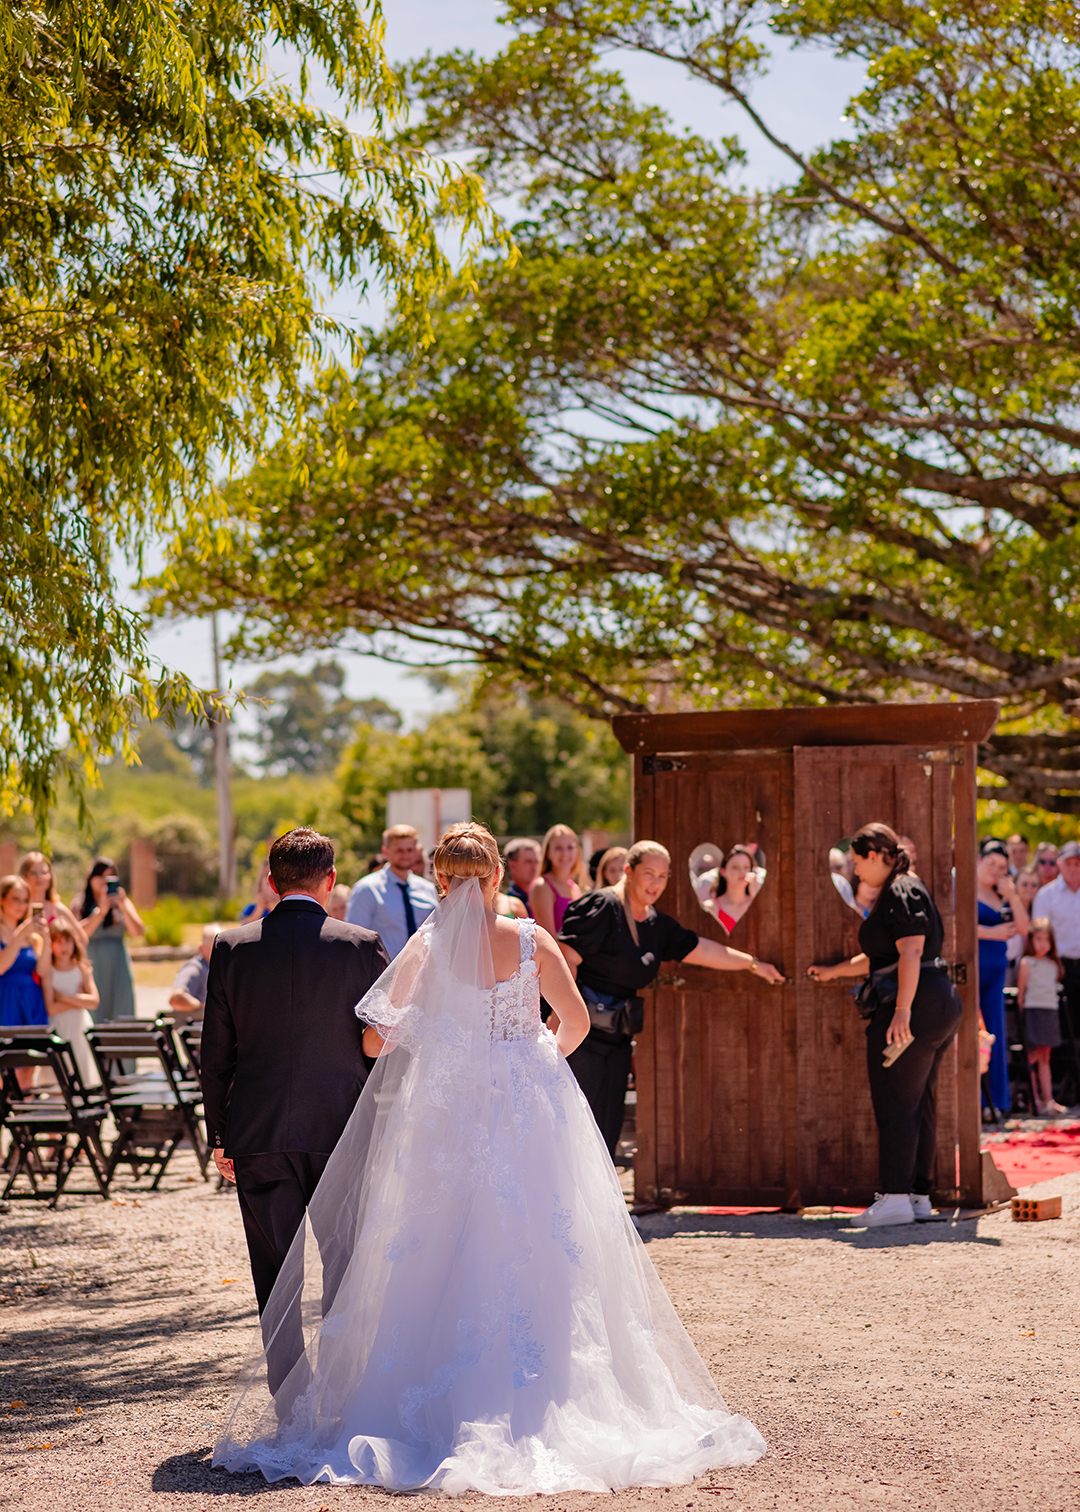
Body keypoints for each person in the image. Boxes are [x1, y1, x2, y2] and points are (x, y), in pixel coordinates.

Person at [213, 821, 765, 1491]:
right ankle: (541, 1392)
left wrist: (440, 1046)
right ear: (498, 876)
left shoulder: (424, 946)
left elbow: (374, 1042)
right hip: (519, 1111)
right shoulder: (531, 939)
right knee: (537, 1244)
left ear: (440, 882)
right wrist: (529, 1060)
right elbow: (579, 1023)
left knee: (432, 1248)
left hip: (445, 1116)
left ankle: (415, 1401)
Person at [200, 827, 391, 1381]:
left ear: (270, 880)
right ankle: (340, 1388)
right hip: (340, 1129)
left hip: (256, 1133)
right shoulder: (361, 945)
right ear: (330, 880)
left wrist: (220, 1135)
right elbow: (381, 1043)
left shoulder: (232, 947)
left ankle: (291, 1399)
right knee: (345, 1263)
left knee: (275, 1274)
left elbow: (216, 1054)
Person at [556, 841, 785, 1160]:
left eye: (662, 876)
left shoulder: (656, 925)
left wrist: (754, 964)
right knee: (573, 1123)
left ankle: (602, 1209)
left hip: (618, 1037)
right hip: (580, 1038)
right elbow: (564, 960)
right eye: (648, 874)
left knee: (606, 1126)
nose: (655, 883)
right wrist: (558, 1031)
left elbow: (703, 950)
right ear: (628, 871)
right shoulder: (602, 906)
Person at [808, 824, 962, 1228]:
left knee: (896, 1100)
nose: (856, 871)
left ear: (876, 854)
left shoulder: (900, 889)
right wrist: (833, 972)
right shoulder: (903, 888)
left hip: (917, 1003)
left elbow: (911, 950)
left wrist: (902, 1010)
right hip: (935, 1000)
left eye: (858, 862)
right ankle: (915, 1196)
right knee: (918, 1102)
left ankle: (894, 1196)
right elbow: (885, 955)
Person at [977, 839, 1030, 1118]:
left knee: (995, 1033)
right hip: (972, 972)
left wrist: (1013, 896)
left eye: (1002, 867)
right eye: (991, 864)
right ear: (978, 861)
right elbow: (953, 926)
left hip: (996, 974)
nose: (995, 871)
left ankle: (995, 1101)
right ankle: (975, 1102)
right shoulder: (963, 889)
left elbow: (1024, 928)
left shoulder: (1002, 895)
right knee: (974, 1035)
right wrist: (991, 932)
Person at [346, 824, 438, 959]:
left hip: (424, 972)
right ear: (385, 851)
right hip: (384, 973)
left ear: (416, 851)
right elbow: (354, 939)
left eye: (409, 850)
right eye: (399, 850)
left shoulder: (428, 889)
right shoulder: (367, 889)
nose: (405, 855)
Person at [73, 857, 144, 1022]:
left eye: (110, 877)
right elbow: (77, 934)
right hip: (92, 965)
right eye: (100, 876)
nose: (104, 881)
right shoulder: (80, 903)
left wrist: (123, 905)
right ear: (91, 878)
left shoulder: (122, 902)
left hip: (119, 965)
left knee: (121, 1008)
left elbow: (137, 931)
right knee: (95, 1012)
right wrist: (100, 913)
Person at [1032, 839, 1080, 1076]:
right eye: (1068, 863)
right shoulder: (1046, 895)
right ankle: (1063, 1083)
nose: (1073, 868)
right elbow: (1039, 934)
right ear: (1060, 864)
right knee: (1059, 1025)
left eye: (1077, 864)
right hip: (1058, 967)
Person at [1017, 919, 1067, 1117]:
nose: (1043, 944)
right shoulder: (1027, 963)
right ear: (1031, 940)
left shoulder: (1054, 964)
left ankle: (1048, 1099)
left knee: (1046, 1055)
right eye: (1038, 939)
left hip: (1050, 1011)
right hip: (1033, 1011)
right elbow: (1021, 993)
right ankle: (1033, 1099)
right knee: (1032, 1055)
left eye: (1047, 940)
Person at [47, 920, 100, 1088]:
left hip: (79, 1026)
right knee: (59, 1076)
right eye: (59, 941)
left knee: (83, 1070)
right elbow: (51, 1008)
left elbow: (93, 1001)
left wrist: (63, 997)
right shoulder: (48, 971)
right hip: (59, 1026)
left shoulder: (81, 968)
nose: (64, 946)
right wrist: (79, 1000)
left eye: (68, 941)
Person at [529, 823, 586, 937]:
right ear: (548, 853)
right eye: (558, 848)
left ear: (577, 851)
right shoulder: (542, 886)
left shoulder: (575, 888)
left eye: (570, 847)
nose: (565, 853)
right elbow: (548, 939)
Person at [19, 851, 88, 947]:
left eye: (44, 872)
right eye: (33, 873)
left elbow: (82, 938)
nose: (39, 877)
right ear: (24, 876)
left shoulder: (57, 909)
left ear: (50, 876)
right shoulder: (17, 907)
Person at [706, 846, 764, 933]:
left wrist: (755, 897)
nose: (742, 872)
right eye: (735, 867)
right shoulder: (712, 907)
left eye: (746, 867)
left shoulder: (762, 906)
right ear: (723, 871)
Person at [169, 924, 222, 1020]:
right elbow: (176, 999)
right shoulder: (195, 969)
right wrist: (203, 1006)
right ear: (201, 948)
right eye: (214, 948)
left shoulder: (219, 968)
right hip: (193, 1030)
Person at [1006, 866, 1042, 986]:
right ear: (1015, 885)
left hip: (1032, 970)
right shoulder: (1005, 910)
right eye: (1024, 884)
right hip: (1008, 967)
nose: (1029, 888)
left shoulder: (1040, 911)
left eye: (1034, 885)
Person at [503, 836, 541, 916]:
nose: (534, 867)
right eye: (528, 862)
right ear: (513, 866)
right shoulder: (507, 906)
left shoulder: (547, 896)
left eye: (537, 862)